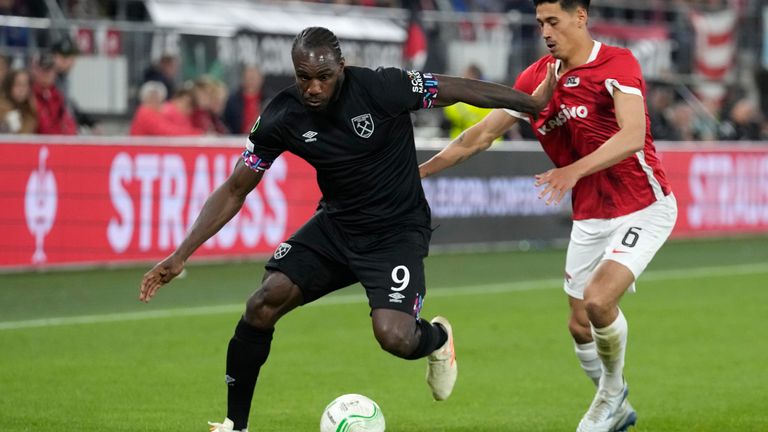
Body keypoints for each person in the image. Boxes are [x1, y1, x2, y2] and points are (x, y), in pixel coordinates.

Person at [139, 26, 554, 432]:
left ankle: (439, 338)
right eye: (304, 78)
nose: (314, 88)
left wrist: (530, 105)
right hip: (337, 227)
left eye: (324, 77)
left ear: (342, 66)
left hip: (396, 231)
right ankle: (235, 425)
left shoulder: (382, 87)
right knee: (263, 302)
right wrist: (180, 255)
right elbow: (234, 189)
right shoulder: (281, 116)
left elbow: (461, 89)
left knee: (393, 336)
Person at [419, 2, 677, 432]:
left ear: (580, 17)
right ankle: (617, 407)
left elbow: (632, 134)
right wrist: (419, 173)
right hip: (590, 215)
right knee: (579, 325)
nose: (545, 31)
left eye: (553, 21)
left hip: (643, 204)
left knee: (598, 301)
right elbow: (479, 136)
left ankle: (611, 396)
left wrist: (572, 170)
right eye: (540, 23)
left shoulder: (616, 62)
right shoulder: (535, 79)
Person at [223, 65, 265, 134]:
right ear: (243, 79)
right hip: (237, 141)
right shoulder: (232, 101)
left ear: (261, 79)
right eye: (248, 78)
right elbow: (226, 123)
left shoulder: (269, 99)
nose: (251, 81)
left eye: (254, 78)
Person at [0, 68, 37, 133]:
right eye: (18, 84)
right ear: (9, 86)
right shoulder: (1, 107)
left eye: (25, 85)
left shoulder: (31, 111)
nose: (21, 89)